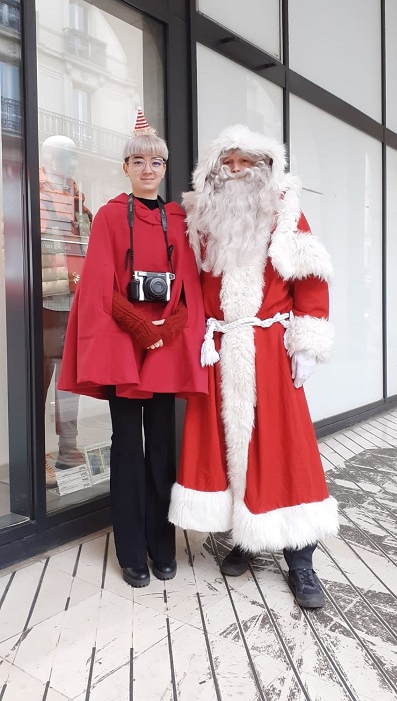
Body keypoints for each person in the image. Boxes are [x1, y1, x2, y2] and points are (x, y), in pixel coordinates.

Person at [169, 124, 339, 609]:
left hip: (269, 345)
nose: (237, 170)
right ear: (215, 169)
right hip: (222, 347)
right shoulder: (201, 220)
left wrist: (306, 343)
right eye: (229, 162)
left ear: (265, 167)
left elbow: (310, 278)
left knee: (285, 447)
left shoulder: (284, 213)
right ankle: (246, 538)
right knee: (230, 448)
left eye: (247, 162)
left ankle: (301, 558)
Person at [58, 108, 207, 587]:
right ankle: (130, 550)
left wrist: (171, 325)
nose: (147, 169)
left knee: (162, 446)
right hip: (128, 345)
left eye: (156, 163)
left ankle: (162, 543)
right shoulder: (106, 216)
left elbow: (189, 286)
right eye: (138, 161)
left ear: (165, 169)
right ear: (125, 167)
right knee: (126, 447)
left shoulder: (179, 218)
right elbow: (100, 288)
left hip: (164, 345)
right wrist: (143, 330)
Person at [40, 135, 92, 487]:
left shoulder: (79, 200)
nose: (69, 161)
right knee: (38, 379)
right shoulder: (35, 196)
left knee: (69, 378)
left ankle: (68, 448)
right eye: (62, 155)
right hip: (43, 302)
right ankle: (32, 454)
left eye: (72, 155)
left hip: (77, 300)